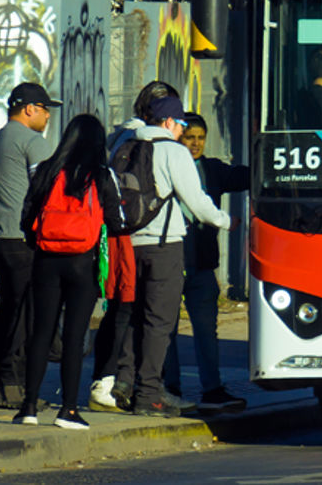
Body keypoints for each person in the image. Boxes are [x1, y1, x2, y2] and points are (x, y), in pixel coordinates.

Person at [14, 114, 121, 429]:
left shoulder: (47, 171)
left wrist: (40, 242)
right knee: (74, 337)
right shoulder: (101, 176)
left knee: (41, 333)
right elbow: (116, 221)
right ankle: (68, 410)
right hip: (83, 263)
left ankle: (28, 407)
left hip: (46, 260)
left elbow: (27, 217)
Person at [127, 96, 232, 417]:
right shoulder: (174, 152)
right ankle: (155, 392)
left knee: (143, 322)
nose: (191, 139)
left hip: (136, 245)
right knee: (161, 325)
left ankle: (138, 386)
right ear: (171, 124)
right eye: (185, 130)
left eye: (198, 136)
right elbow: (197, 202)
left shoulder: (130, 147)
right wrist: (225, 221)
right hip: (166, 248)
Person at [91, 80, 180, 415]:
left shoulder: (120, 137)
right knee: (135, 315)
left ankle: (120, 382)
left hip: (120, 235)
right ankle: (115, 383)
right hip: (148, 238)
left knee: (125, 311)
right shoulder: (150, 141)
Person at [162, 113, 249, 413]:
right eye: (189, 137)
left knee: (206, 331)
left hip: (201, 266)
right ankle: (169, 387)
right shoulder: (167, 164)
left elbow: (244, 176)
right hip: (170, 262)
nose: (196, 143)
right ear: (179, 138)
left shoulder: (212, 170)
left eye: (200, 137)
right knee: (166, 329)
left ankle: (212, 389)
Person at [0, 82, 60, 409]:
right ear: (30, 109)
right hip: (23, 240)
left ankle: (6, 383)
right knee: (24, 315)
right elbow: (48, 192)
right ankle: (15, 388)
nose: (47, 117)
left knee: (8, 311)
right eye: (44, 110)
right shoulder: (31, 142)